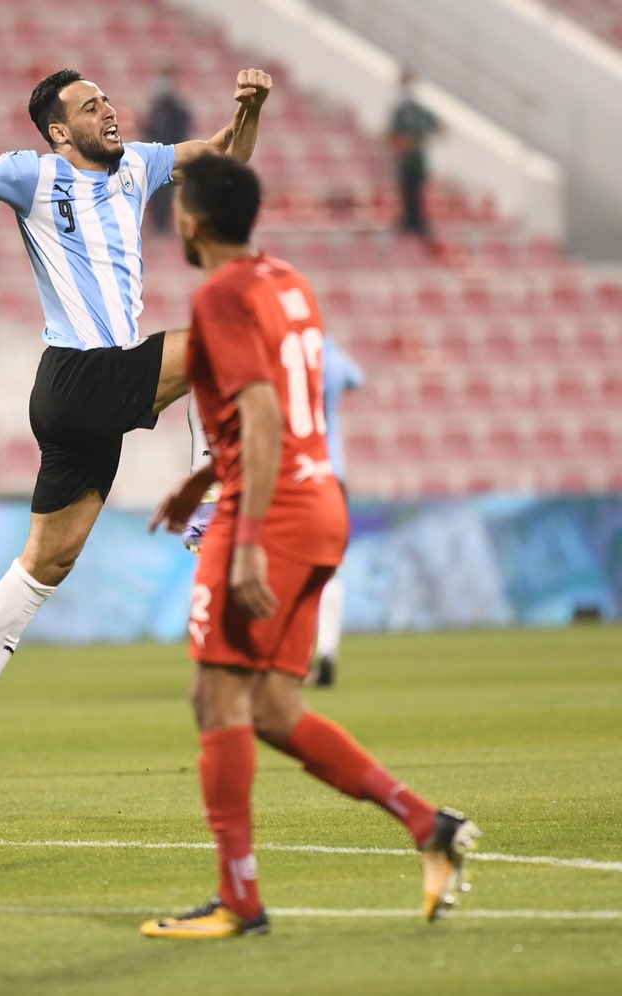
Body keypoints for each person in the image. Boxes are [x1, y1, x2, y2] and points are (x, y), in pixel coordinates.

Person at [0, 67, 273, 785]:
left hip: (77, 400)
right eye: (89, 107)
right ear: (59, 131)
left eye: (107, 100)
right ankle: (209, 501)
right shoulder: (34, 175)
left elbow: (223, 158)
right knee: (225, 337)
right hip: (81, 373)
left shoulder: (139, 164)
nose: (108, 111)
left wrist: (253, 109)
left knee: (47, 562)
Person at [141, 154, 478, 939]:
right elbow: (280, 405)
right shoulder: (288, 281)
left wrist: (247, 541)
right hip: (322, 501)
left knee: (217, 698)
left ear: (191, 220)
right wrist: (199, 483)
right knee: (271, 708)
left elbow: (262, 416)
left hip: (273, 512)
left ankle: (239, 901)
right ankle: (428, 825)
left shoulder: (220, 294)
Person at [307, 335, 364, 688]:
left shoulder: (285, 349)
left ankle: (293, 659)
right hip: (335, 474)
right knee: (330, 568)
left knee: (289, 568)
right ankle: (327, 651)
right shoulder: (331, 354)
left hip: (298, 472)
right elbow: (357, 379)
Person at [388, 67, 442, 240]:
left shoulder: (419, 111)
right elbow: (392, 137)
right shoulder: (400, 112)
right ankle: (408, 221)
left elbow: (439, 128)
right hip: (405, 160)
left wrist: (420, 142)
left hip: (417, 160)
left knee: (418, 192)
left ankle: (417, 222)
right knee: (407, 192)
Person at [142, 64, 192, 234]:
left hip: (171, 156)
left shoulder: (177, 109)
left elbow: (182, 131)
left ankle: (164, 226)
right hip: (155, 156)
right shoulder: (154, 108)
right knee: (156, 193)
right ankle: (158, 226)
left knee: (166, 193)